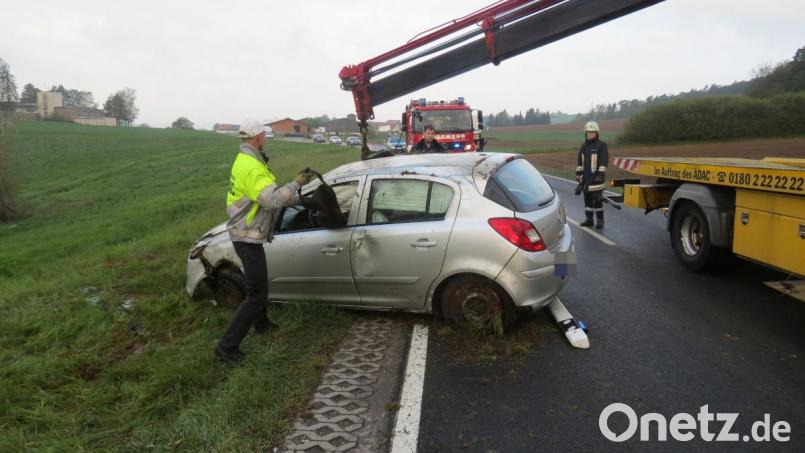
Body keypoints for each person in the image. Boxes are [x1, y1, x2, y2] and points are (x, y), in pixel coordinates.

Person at [215, 118, 315, 363]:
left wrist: (295, 197)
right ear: (256, 136)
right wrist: (296, 183)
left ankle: (262, 325)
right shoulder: (252, 166)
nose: (267, 138)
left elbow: (268, 197)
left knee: (257, 287)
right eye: (264, 135)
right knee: (257, 293)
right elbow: (272, 201)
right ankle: (225, 349)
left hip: (246, 232)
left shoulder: (247, 160)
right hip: (246, 236)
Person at [575, 121, 608, 229]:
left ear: (596, 133)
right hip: (586, 179)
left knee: (597, 200)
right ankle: (589, 220)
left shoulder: (601, 145)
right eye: (588, 132)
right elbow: (580, 162)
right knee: (587, 200)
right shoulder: (584, 146)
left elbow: (604, 161)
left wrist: (600, 175)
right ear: (586, 133)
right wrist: (578, 174)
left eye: (592, 132)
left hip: (597, 179)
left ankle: (600, 220)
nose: (590, 134)